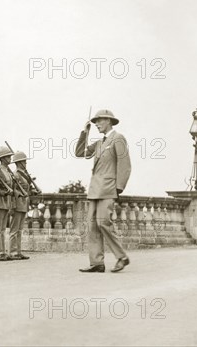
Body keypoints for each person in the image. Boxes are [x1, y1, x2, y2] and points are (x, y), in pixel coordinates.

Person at [75, 109, 131, 273]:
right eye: (95, 122)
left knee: (103, 223)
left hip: (108, 189)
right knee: (92, 226)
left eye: (99, 121)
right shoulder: (99, 143)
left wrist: (118, 187)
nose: (97, 124)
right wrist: (85, 133)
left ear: (108, 121)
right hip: (94, 190)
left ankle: (121, 257)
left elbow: (125, 164)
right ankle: (97, 262)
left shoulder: (118, 138)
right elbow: (79, 153)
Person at [9, 151, 31, 260]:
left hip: (23, 204)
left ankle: (18, 251)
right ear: (19, 162)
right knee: (14, 229)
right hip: (17, 203)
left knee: (19, 230)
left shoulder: (24, 174)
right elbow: (13, 190)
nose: (26, 163)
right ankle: (13, 252)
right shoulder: (15, 174)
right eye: (24, 161)